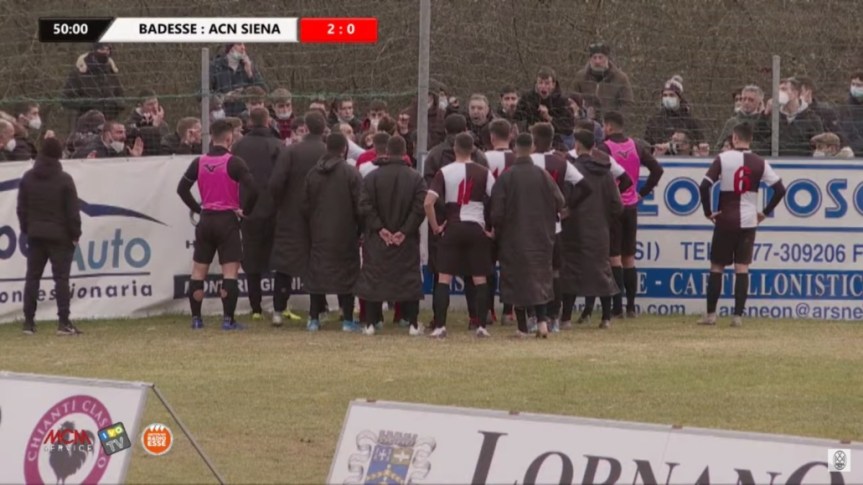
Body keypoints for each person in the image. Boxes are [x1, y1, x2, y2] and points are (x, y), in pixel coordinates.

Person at [698, 123, 786, 327]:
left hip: (725, 219)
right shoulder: (760, 162)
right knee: (742, 268)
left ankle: (711, 315)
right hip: (748, 220)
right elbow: (780, 189)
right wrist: (764, 212)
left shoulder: (723, 158)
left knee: (717, 266)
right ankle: (737, 316)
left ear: (734, 138)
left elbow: (704, 186)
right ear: (751, 139)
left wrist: (708, 212)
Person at [176, 119, 259, 330]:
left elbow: (182, 189)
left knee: (198, 271)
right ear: (230, 139)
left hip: (206, 220)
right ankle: (228, 320)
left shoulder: (199, 162)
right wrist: (245, 211)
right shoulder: (235, 162)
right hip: (227, 220)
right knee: (230, 272)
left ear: (211, 138)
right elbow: (253, 189)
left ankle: (196, 319)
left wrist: (198, 209)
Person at [491, 133, 565, 338]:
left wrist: (499, 232)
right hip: (542, 235)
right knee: (540, 278)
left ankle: (522, 327)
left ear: (515, 149)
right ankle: (542, 323)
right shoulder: (544, 175)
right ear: (532, 147)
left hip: (514, 236)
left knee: (517, 280)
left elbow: (497, 213)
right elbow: (560, 201)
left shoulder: (506, 177)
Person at [424, 133, 495, 338]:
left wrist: (436, 226)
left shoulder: (444, 171)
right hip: (476, 228)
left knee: (444, 278)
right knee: (479, 278)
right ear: (473, 149)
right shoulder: (484, 172)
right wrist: (493, 229)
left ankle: (440, 326)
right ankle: (481, 326)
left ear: (454, 148)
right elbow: (498, 199)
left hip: (453, 227)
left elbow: (428, 203)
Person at [356, 136, 427, 336]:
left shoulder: (372, 177)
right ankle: (413, 324)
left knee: (374, 278)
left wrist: (380, 229)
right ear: (405, 152)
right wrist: (405, 231)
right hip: (406, 239)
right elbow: (419, 208)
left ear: (386, 151)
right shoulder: (416, 178)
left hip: (378, 239)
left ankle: (371, 324)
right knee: (408, 278)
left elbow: (364, 206)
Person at [597, 111, 664, 318]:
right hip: (632, 206)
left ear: (608, 127)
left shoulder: (604, 148)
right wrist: (642, 192)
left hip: (614, 207)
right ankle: (632, 307)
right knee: (629, 258)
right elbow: (657, 170)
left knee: (614, 257)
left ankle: (617, 307)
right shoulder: (636, 145)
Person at [16, 138, 82, 335]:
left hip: (35, 235)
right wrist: (75, 234)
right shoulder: (64, 179)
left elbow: (21, 209)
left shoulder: (28, 177)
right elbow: (73, 212)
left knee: (32, 277)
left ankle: (28, 322)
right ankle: (63, 322)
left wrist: (27, 229)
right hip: (60, 236)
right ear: (59, 155)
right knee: (61, 279)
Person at [561, 130, 623, 330]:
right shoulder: (605, 173)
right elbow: (617, 205)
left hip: (574, 229)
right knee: (601, 271)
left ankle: (566, 319)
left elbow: (564, 200)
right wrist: (604, 220)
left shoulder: (571, 170)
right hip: (599, 229)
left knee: (571, 271)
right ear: (594, 147)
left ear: (577, 145)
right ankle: (606, 318)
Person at [529, 122, 589, 332]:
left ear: (534, 140)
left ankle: (535, 317)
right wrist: (568, 208)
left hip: (530, 225)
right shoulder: (561, 163)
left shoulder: (527, 162)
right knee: (554, 271)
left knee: (533, 271)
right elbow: (585, 187)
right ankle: (554, 317)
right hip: (554, 225)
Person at [269, 112, 328, 323]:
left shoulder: (291, 151)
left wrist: (282, 203)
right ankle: (318, 311)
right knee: (317, 262)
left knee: (285, 263)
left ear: (306, 128)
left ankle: (278, 311)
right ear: (323, 129)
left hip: (291, 214)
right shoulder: (328, 152)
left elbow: (275, 183)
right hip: (321, 215)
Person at [302, 133, 363, 332]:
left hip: (318, 232)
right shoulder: (351, 173)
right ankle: (347, 320)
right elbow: (361, 206)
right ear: (344, 149)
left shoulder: (312, 174)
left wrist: (312, 225)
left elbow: (305, 205)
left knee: (317, 275)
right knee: (347, 275)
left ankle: (314, 318)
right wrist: (360, 229)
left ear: (326, 147)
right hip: (346, 232)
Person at [230, 107, 283, 323]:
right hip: (273, 209)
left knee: (251, 259)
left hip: (248, 208)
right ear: (268, 120)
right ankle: (279, 306)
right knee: (277, 259)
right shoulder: (277, 144)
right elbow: (282, 177)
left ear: (250, 122)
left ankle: (256, 308)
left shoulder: (239, 146)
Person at [484, 118, 517, 324]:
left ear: (492, 137)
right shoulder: (519, 158)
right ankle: (508, 311)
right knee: (509, 266)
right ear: (511, 136)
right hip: (513, 218)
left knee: (487, 265)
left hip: (488, 216)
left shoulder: (483, 158)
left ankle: (488, 310)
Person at [61, 43, 124, 124]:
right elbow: (65, 99)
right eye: (102, 49)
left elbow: (121, 97)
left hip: (109, 122)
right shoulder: (79, 73)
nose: (105, 52)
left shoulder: (111, 72)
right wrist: (88, 103)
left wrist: (114, 104)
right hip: (86, 123)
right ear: (94, 51)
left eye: (108, 50)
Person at [514, 67, 574, 149]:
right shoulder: (527, 98)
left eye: (547, 83)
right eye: (540, 83)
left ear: (553, 84)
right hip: (530, 141)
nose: (543, 86)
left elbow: (568, 128)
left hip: (555, 143)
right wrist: (529, 127)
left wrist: (549, 117)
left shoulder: (562, 101)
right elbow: (517, 119)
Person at [572, 42, 634, 119]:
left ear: (607, 58)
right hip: (586, 122)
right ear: (590, 59)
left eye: (600, 57)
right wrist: (581, 115)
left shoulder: (621, 78)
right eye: (594, 58)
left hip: (611, 123)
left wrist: (615, 120)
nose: (597, 61)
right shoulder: (581, 77)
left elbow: (627, 104)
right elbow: (573, 100)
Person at [644, 75, 707, 151]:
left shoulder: (691, 121)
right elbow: (647, 146)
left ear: (679, 98)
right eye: (665, 95)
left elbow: (699, 144)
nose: (667, 98)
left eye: (671, 95)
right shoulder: (654, 121)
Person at [769, 77, 824, 156]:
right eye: (778, 90)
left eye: (784, 89)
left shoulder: (812, 119)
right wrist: (765, 114)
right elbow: (761, 139)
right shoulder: (773, 116)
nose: (779, 93)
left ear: (795, 93)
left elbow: (819, 147)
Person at [210, 43, 265, 117]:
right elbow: (202, 94)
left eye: (244, 44)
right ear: (230, 48)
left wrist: (250, 74)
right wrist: (223, 98)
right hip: (223, 116)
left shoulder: (249, 65)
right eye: (239, 44)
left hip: (246, 116)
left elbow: (264, 91)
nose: (243, 48)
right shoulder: (215, 67)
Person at [714, 85, 771, 154]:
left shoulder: (764, 123)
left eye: (751, 100)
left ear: (759, 103)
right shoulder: (731, 122)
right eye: (743, 99)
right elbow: (717, 148)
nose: (746, 102)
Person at [125, 89, 168, 156]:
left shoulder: (163, 124)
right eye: (150, 104)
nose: (154, 107)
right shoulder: (130, 122)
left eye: (155, 103)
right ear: (140, 105)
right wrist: (154, 127)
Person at [72, 121, 144, 159]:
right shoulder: (92, 149)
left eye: (124, 132)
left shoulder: (123, 149)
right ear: (107, 134)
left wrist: (134, 158)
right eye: (119, 132)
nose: (124, 136)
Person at [839, 71, 863, 155]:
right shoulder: (845, 107)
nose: (855, 88)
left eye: (859, 85)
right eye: (853, 84)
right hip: (851, 153)